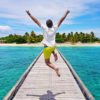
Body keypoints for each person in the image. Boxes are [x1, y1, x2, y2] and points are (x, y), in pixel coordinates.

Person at [26, 10, 70, 77]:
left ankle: (55, 68)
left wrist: (29, 14)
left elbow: (36, 21)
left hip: (47, 47)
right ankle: (54, 53)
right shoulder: (54, 28)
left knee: (47, 62)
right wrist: (66, 13)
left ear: (46, 25)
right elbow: (61, 20)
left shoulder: (44, 28)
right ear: (52, 24)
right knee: (51, 47)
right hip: (53, 46)